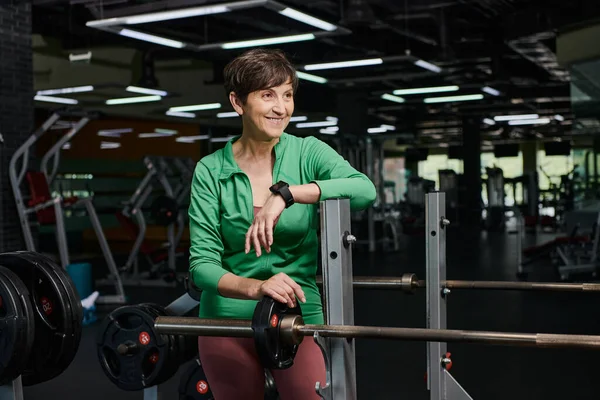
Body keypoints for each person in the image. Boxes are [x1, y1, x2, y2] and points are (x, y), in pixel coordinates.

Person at [188, 48, 376, 400]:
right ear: (237, 102)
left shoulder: (307, 152)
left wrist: (287, 195)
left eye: (287, 94)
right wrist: (256, 288)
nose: (281, 107)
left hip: (297, 316)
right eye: (267, 95)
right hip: (227, 320)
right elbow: (202, 266)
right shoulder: (210, 170)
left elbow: (364, 190)